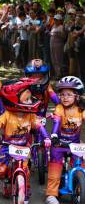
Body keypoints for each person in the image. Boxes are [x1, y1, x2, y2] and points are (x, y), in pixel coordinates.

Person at [0, 78, 51, 203]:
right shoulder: (7, 115)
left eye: (30, 98)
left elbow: (39, 126)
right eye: (27, 99)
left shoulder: (30, 115)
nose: (30, 101)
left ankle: (24, 192)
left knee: (25, 170)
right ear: (14, 100)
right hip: (7, 146)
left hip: (23, 147)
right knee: (0, 169)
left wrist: (46, 137)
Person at [45, 76, 85, 204]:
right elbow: (56, 121)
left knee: (82, 164)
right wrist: (54, 136)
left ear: (77, 96)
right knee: (55, 166)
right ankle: (51, 194)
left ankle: (80, 185)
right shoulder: (59, 108)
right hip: (59, 143)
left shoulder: (81, 110)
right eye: (62, 94)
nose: (64, 97)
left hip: (75, 144)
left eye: (69, 94)